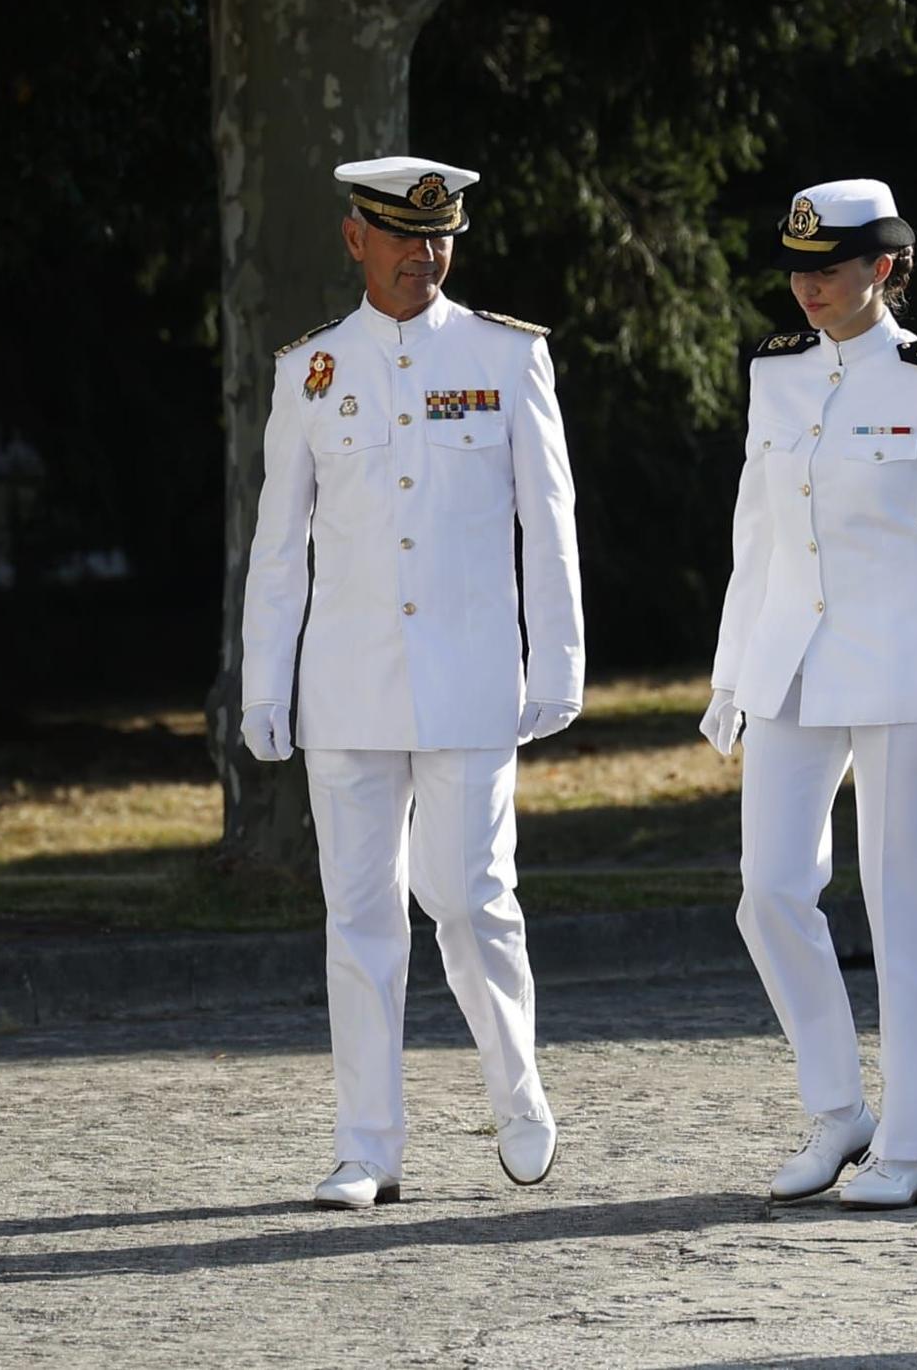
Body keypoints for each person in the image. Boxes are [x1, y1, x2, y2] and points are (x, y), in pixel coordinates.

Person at [239, 156, 585, 1210]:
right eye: (401, 236)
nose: (422, 255)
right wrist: (264, 682)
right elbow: (279, 542)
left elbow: (548, 521)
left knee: (471, 899)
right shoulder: (311, 369)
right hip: (347, 685)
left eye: (439, 237)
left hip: (469, 680)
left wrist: (557, 662)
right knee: (357, 917)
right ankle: (366, 1147)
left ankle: (517, 1094)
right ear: (356, 239)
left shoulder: (505, 355)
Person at [700, 178, 917, 1210]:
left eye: (828, 268)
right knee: (768, 890)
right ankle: (838, 1109)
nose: (808, 287)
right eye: (797, 268)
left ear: (883, 266)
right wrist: (730, 672)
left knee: (902, 903)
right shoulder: (776, 371)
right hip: (790, 661)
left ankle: (906, 1146)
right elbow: (754, 530)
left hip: (905, 669)